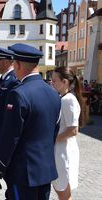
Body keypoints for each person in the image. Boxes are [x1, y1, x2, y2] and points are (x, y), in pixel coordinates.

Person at [0, 43, 61, 200]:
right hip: (45, 170)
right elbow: (54, 132)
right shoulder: (53, 92)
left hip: (23, 173)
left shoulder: (18, 94)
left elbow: (10, 137)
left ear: (17, 64)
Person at [51, 67, 83, 200]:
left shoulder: (68, 100)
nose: (52, 83)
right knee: (62, 192)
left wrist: (52, 139)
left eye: (54, 80)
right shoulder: (63, 98)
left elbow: (73, 130)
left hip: (64, 152)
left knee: (64, 194)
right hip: (60, 150)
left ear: (64, 82)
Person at [0, 46, 19, 147]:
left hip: (7, 130)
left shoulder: (13, 80)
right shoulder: (4, 78)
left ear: (6, 62)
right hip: (1, 129)